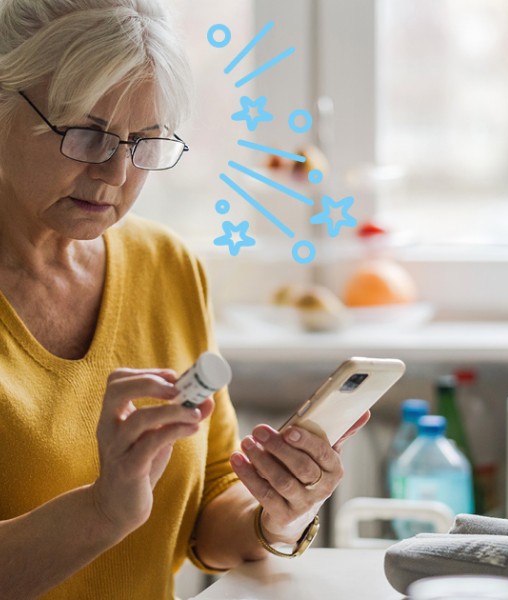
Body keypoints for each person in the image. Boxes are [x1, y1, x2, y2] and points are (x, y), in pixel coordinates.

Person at [0, 1, 369, 598]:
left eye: (145, 143)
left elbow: (205, 516)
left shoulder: (167, 266)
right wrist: (102, 512)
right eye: (87, 134)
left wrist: (277, 513)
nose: (117, 173)